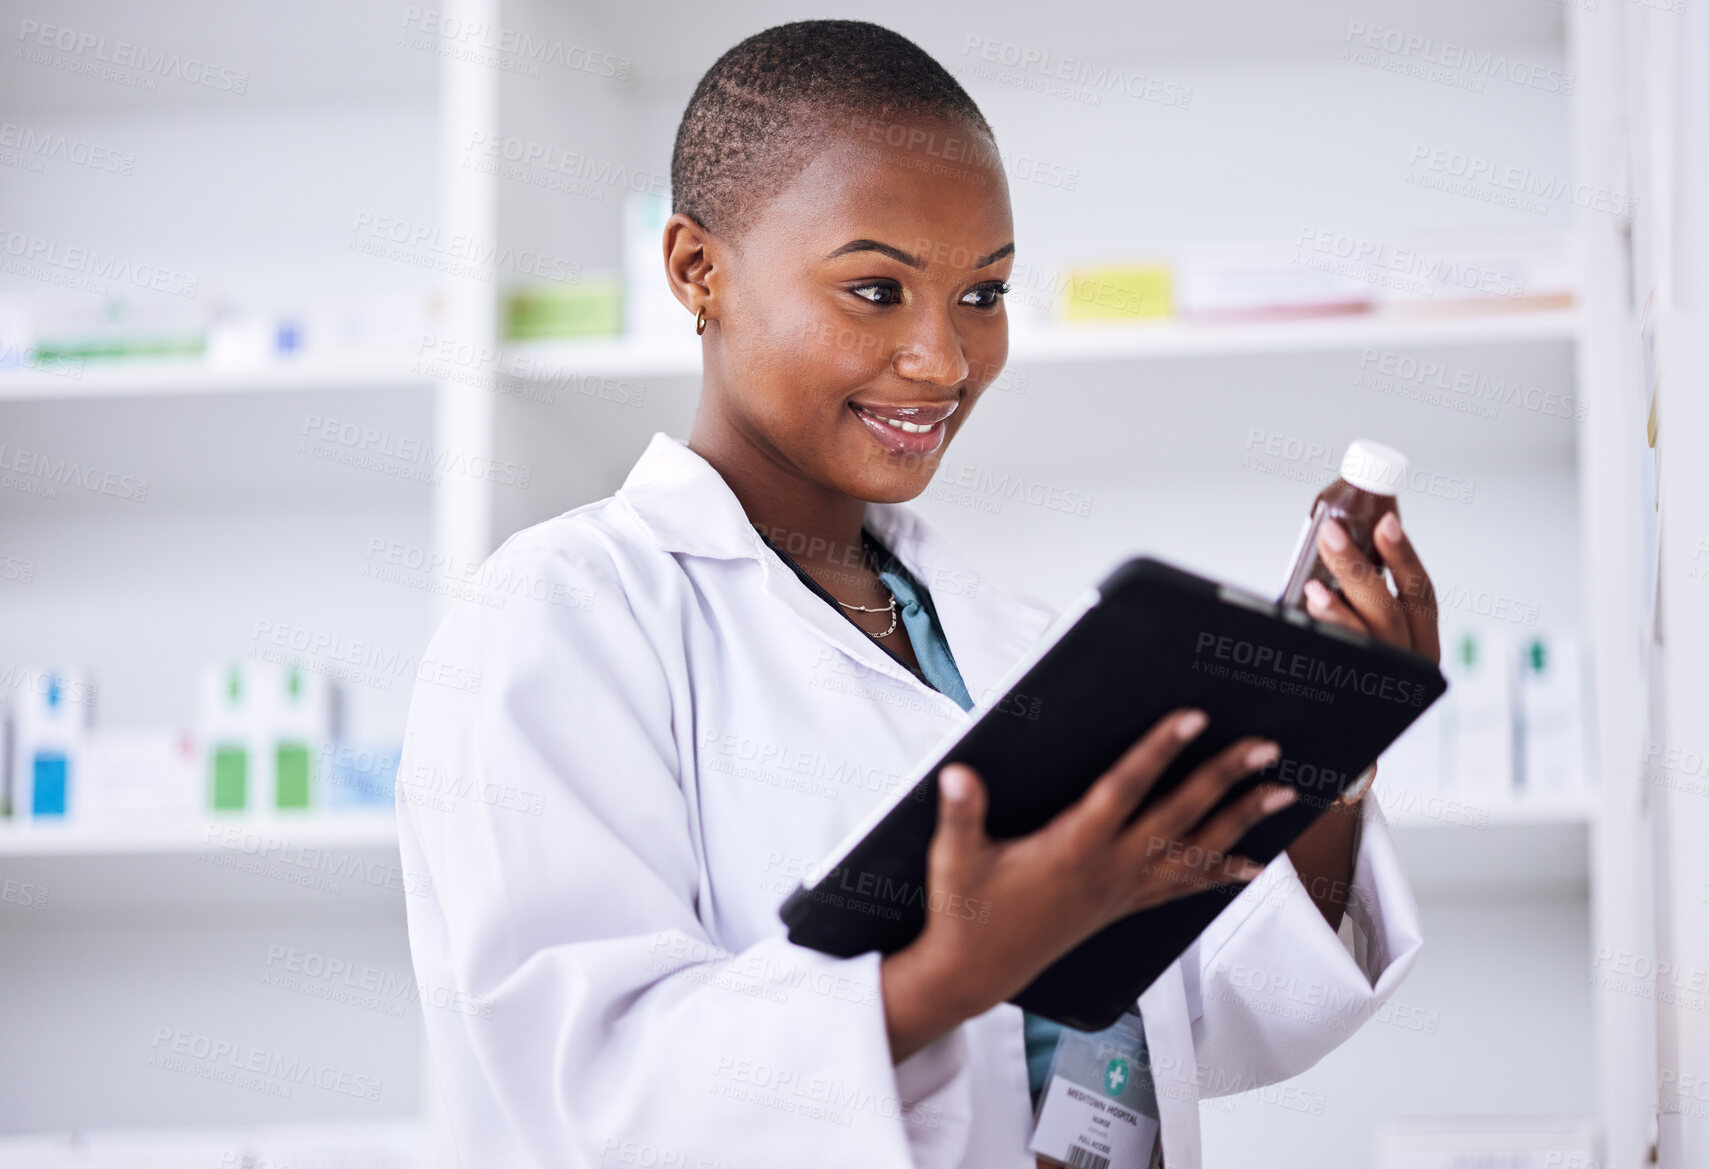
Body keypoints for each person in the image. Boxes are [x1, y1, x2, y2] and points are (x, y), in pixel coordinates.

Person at [396, 20, 1436, 1169]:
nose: (942, 359)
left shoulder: (1007, 641)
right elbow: (587, 1083)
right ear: (697, 267)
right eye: (877, 288)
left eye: (982, 295)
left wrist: (1329, 756)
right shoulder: (563, 613)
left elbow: (1197, 1016)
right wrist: (957, 964)